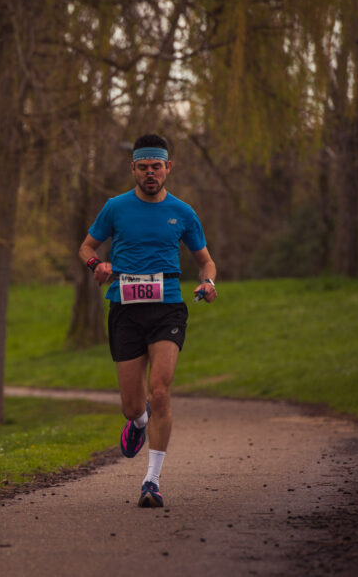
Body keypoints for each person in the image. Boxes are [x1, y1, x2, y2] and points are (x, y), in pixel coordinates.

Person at [78, 134, 217, 508]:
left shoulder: (183, 212)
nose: (150, 173)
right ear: (133, 169)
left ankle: (151, 482)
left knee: (160, 392)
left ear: (168, 167)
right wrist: (97, 266)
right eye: (143, 167)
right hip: (124, 307)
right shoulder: (116, 208)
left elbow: (205, 259)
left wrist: (208, 281)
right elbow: (87, 246)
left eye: (157, 166)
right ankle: (137, 424)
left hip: (168, 306)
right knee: (132, 405)